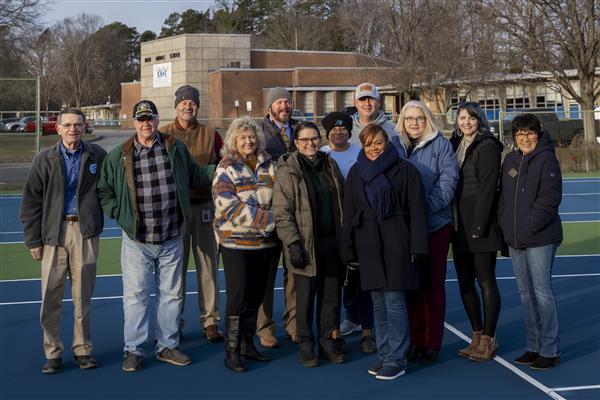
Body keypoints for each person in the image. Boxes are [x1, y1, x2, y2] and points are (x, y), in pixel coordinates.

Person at [97, 100, 215, 372]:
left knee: (171, 296)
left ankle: (167, 346)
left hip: (172, 235)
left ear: (157, 119)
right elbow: (104, 191)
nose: (145, 123)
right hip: (137, 240)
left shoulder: (174, 147)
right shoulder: (120, 155)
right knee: (136, 297)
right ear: (134, 123)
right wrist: (119, 213)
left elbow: (198, 175)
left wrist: (223, 168)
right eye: (140, 119)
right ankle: (134, 350)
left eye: (150, 118)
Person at [21, 108, 106, 374]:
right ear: (58, 129)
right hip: (53, 234)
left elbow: (110, 190)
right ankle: (53, 351)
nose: (72, 129)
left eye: (77, 125)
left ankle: (82, 349)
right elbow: (31, 203)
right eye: (67, 125)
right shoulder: (44, 159)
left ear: (85, 127)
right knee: (50, 297)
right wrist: (33, 240)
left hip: (85, 232)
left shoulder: (97, 156)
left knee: (83, 297)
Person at [342, 123, 428, 380]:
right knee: (377, 303)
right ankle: (384, 353)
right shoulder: (356, 173)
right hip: (367, 242)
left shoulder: (406, 170)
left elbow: (418, 211)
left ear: (387, 142)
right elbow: (348, 213)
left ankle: (397, 359)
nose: (373, 149)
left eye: (378, 143)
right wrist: (348, 250)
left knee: (394, 301)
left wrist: (418, 247)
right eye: (368, 144)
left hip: (396, 241)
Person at [272, 121, 346, 367]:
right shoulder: (288, 169)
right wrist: (293, 243)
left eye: (314, 138)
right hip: (305, 245)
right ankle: (306, 344)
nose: (310, 143)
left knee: (331, 298)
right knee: (304, 299)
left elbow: (343, 199)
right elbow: (282, 212)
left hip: (332, 243)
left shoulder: (329, 164)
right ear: (296, 143)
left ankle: (327, 341)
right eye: (304, 139)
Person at [393, 100, 459, 364]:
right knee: (411, 288)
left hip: (434, 227)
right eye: (409, 118)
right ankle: (415, 340)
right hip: (405, 230)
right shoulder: (395, 145)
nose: (414, 123)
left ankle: (432, 343)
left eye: (419, 118)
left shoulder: (441, 145)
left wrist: (422, 211)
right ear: (402, 121)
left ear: (427, 119)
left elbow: (448, 182)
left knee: (432, 287)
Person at [212, 116, 280, 373]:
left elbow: (280, 197)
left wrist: (273, 222)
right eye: (243, 137)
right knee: (238, 296)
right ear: (234, 141)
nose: (248, 141)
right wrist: (268, 221)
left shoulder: (269, 164)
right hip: (236, 244)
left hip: (265, 245)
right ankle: (232, 350)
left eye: (252, 137)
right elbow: (228, 205)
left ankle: (248, 344)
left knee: (256, 296)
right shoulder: (226, 167)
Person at [498, 114, 562, 370]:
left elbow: (550, 199)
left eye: (530, 133)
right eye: (520, 134)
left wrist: (531, 225)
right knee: (526, 294)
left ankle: (549, 349)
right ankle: (533, 346)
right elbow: (503, 198)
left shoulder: (547, 159)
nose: (525, 138)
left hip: (540, 238)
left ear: (538, 133)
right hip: (515, 240)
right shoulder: (510, 161)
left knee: (542, 293)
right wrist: (506, 225)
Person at [160, 84, 223, 342]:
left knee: (208, 266)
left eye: (192, 102)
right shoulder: (163, 133)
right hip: (175, 210)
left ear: (197, 106)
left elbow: (223, 168)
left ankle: (210, 321)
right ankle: (174, 320)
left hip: (204, 207)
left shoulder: (211, 135)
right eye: (183, 102)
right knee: (174, 269)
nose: (188, 106)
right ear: (176, 106)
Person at [449, 102, 504, 361]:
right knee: (464, 282)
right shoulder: (454, 144)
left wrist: (479, 226)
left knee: (485, 281)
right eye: (462, 118)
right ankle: (477, 335)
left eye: (471, 118)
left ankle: (490, 340)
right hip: (458, 226)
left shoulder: (488, 146)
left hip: (480, 227)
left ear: (479, 120)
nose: (466, 122)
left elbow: (488, 189)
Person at [320, 111, 376, 355]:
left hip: (359, 228)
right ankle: (333, 333)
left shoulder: (360, 154)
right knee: (334, 285)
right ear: (327, 131)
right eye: (334, 128)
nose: (339, 131)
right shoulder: (321, 155)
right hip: (331, 231)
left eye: (344, 127)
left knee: (363, 283)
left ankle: (367, 333)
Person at [257, 87, 300, 348]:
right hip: (269, 210)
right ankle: (265, 327)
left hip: (296, 211)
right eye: (279, 102)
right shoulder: (259, 131)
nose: (284, 105)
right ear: (270, 106)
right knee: (266, 274)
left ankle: (295, 325)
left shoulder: (301, 129)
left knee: (295, 271)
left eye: (287, 101)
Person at [349, 82, 397, 146]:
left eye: (371, 99)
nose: (367, 103)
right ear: (356, 103)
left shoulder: (394, 129)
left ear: (378, 102)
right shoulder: (347, 129)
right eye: (362, 99)